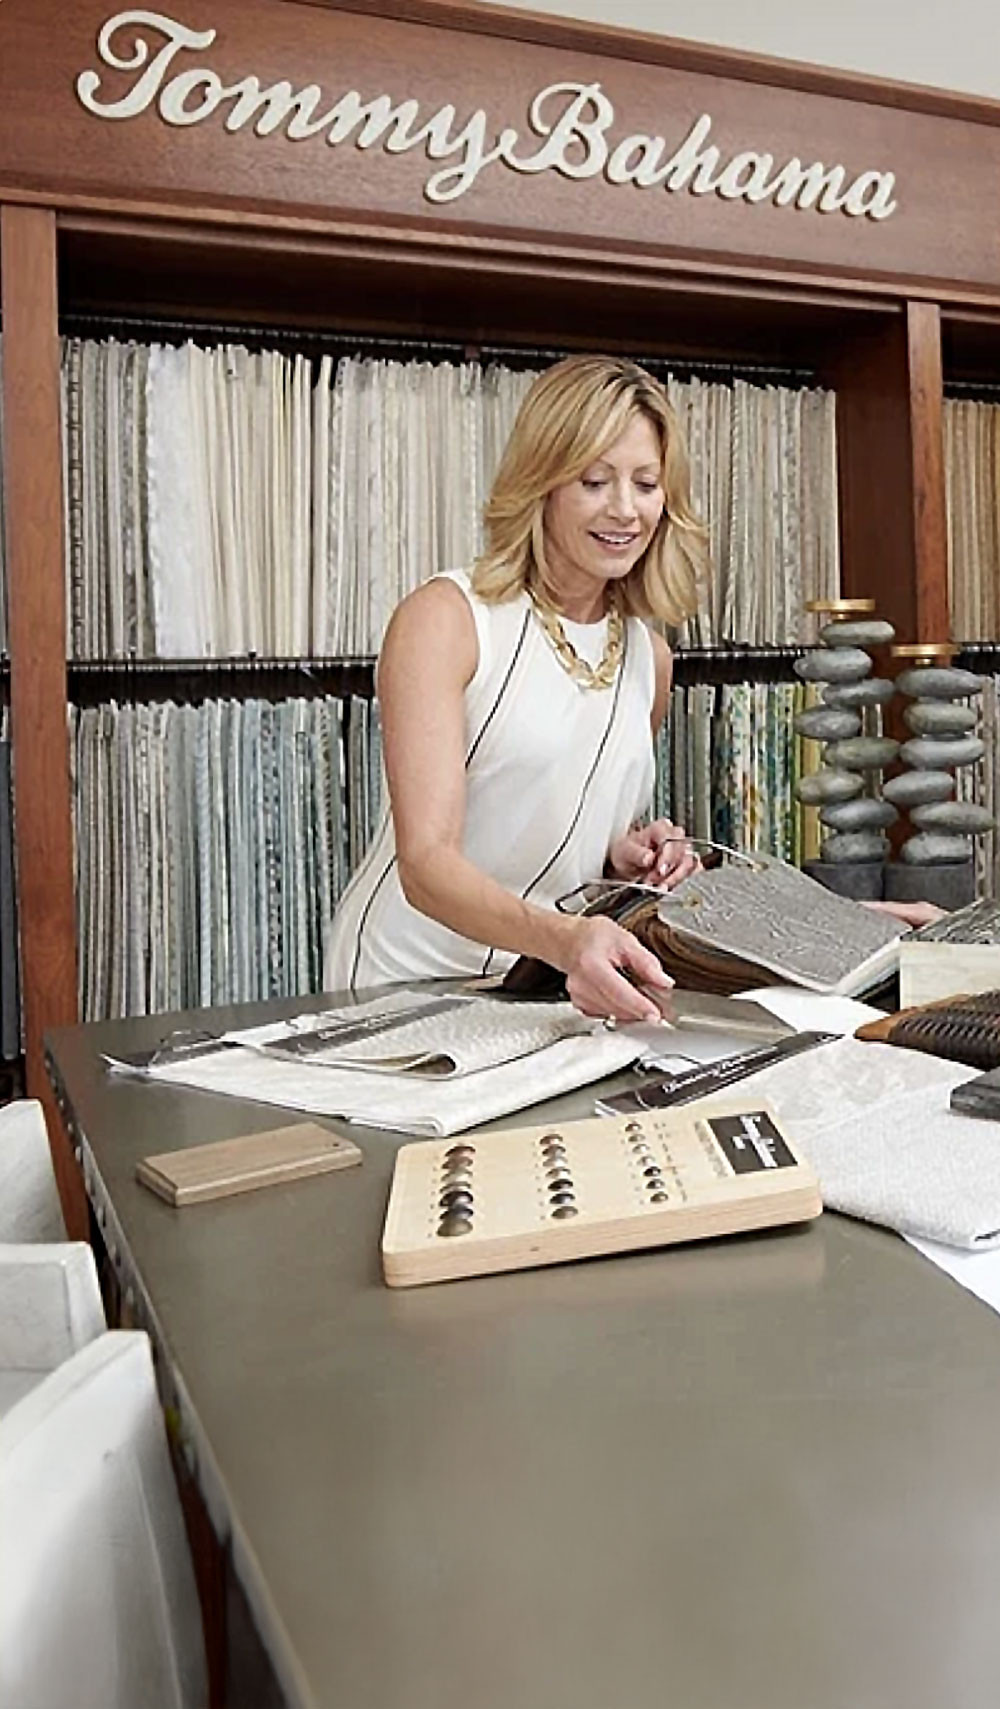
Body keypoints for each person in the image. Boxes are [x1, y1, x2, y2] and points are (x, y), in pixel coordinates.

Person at [325, 354, 710, 1024]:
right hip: (399, 987)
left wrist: (629, 858)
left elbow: (562, 821)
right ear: (543, 482)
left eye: (646, 484)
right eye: (594, 481)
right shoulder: (447, 619)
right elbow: (425, 864)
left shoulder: (649, 659)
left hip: (542, 992)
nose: (625, 509)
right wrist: (565, 941)